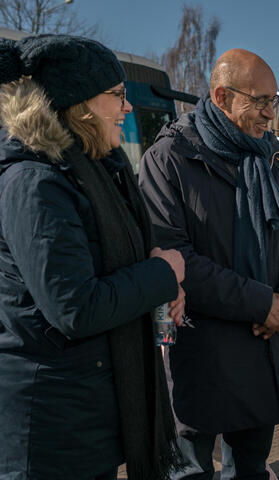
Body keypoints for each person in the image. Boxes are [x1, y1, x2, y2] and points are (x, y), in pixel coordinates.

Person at [0, 35, 185, 480]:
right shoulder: (35, 183)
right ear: (78, 104)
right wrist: (162, 273)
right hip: (47, 433)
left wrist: (156, 272)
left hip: (82, 419)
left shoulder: (95, 169)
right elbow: (74, 307)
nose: (127, 108)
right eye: (117, 96)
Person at [138, 48, 279, 480]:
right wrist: (263, 304)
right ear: (222, 96)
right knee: (189, 471)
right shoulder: (169, 159)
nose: (270, 114)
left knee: (251, 470)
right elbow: (175, 260)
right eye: (260, 102)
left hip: (265, 352)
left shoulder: (273, 157)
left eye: (274, 101)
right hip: (200, 359)